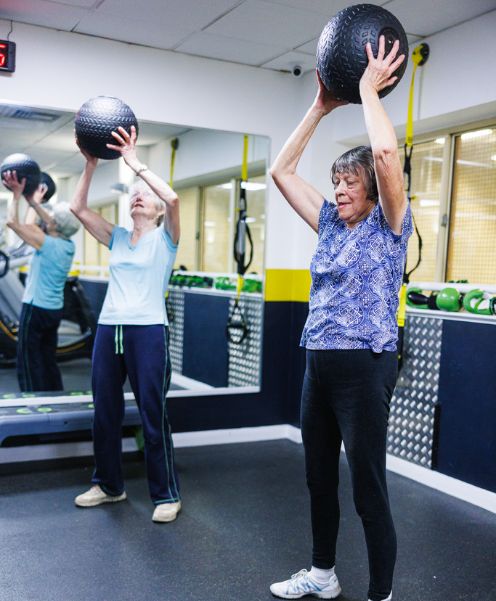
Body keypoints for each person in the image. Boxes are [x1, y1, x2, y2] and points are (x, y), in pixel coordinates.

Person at [269, 38, 411, 601]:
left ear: (374, 193)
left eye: (352, 183)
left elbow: (383, 157)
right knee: (318, 478)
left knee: (367, 488)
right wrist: (321, 107)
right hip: (318, 367)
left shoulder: (390, 226)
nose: (341, 189)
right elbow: (281, 170)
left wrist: (368, 92)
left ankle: (381, 594)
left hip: (364, 368)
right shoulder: (330, 223)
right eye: (338, 182)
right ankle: (323, 576)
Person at [71, 125, 181, 523]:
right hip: (109, 328)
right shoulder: (117, 237)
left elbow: (172, 196)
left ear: (155, 211)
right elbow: (78, 210)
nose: (140, 196)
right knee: (105, 411)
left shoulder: (166, 240)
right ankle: (109, 486)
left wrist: (134, 164)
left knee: (153, 414)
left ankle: (166, 494)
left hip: (149, 330)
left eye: (145, 197)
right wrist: (90, 165)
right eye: (135, 194)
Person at [4, 173, 79, 392]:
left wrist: (18, 195)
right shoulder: (67, 245)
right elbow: (43, 223)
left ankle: (32, 401)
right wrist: (35, 203)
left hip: (35, 308)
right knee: (47, 358)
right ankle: (55, 396)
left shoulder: (46, 244)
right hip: (53, 310)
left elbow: (13, 222)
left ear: (53, 224)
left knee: (28, 358)